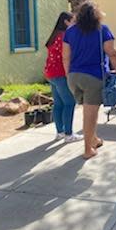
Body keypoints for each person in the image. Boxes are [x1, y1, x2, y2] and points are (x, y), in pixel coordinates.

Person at [63, 1, 116, 159]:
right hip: (93, 76)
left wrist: (68, 74)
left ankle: (94, 139)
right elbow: (112, 53)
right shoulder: (103, 30)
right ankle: (87, 149)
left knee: (87, 110)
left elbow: (65, 57)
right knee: (90, 115)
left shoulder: (70, 31)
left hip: (73, 76)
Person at [44, 12, 82, 143]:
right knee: (69, 103)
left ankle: (60, 132)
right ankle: (68, 134)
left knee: (58, 103)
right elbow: (67, 56)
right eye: (74, 21)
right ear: (66, 22)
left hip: (51, 73)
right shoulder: (64, 36)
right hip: (61, 73)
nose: (76, 24)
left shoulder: (55, 35)